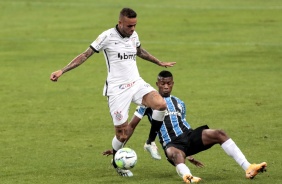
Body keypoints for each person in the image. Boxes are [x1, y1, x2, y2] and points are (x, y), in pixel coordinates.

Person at [50, 8, 176, 177]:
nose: (133, 29)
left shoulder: (134, 35)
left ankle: (150, 142)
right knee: (122, 135)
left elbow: (139, 51)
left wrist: (158, 62)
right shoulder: (107, 36)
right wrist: (62, 71)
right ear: (120, 23)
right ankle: (117, 163)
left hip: (136, 83)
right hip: (117, 90)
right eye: (130, 26)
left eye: (135, 25)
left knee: (160, 104)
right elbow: (85, 55)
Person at [103, 70, 267, 183]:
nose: (165, 87)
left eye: (168, 84)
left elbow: (183, 124)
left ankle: (249, 167)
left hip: (188, 135)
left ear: (172, 83)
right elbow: (131, 126)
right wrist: (119, 146)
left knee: (219, 133)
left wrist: (191, 153)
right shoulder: (147, 103)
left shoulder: (179, 102)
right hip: (171, 144)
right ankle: (188, 177)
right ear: (157, 84)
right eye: (162, 84)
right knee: (175, 154)